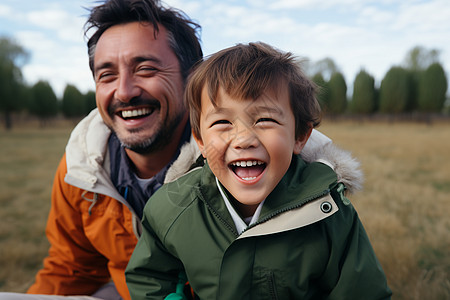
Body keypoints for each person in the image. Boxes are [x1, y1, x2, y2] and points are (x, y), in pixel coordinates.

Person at [0, 1, 359, 300]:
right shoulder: (82, 167)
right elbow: (72, 267)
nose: (124, 91)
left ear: (192, 79)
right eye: (106, 75)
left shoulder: (279, 171)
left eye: (145, 68)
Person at [125, 42, 392, 299]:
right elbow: (150, 276)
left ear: (300, 136)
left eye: (265, 119)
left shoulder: (330, 213)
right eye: (222, 122)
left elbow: (363, 292)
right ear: (201, 141)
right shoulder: (171, 208)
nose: (243, 139)